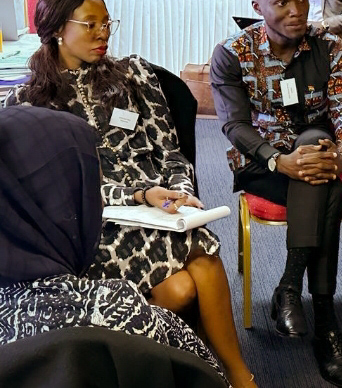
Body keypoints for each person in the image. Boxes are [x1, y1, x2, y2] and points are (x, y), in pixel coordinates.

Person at [5, 0, 255, 388]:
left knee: (203, 253)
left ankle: (237, 376)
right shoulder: (32, 103)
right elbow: (60, 196)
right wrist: (136, 195)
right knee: (177, 291)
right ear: (54, 30)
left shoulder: (133, 77)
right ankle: (177, 367)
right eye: (90, 25)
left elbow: (171, 151)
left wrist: (180, 189)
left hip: (160, 209)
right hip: (94, 226)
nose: (103, 34)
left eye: (107, 23)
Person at [0, 105, 232, 388]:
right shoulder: (119, 308)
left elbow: (171, 154)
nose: (97, 201)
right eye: (89, 188)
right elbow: (206, 378)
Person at [210, 0, 342, 388]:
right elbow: (234, 125)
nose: (296, 10)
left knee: (314, 149)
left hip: (318, 157)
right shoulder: (232, 54)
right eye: (281, 2)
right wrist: (279, 160)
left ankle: (291, 289)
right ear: (258, 6)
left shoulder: (328, 47)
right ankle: (327, 325)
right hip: (262, 165)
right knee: (326, 189)